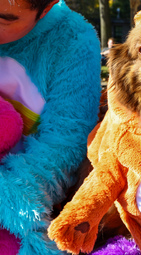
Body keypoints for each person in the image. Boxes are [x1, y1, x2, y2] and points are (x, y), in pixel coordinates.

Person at [0, 0, 101, 254]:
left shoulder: (72, 40)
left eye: (4, 19)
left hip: (19, 202)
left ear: (45, 8)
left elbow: (65, 145)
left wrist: (10, 198)